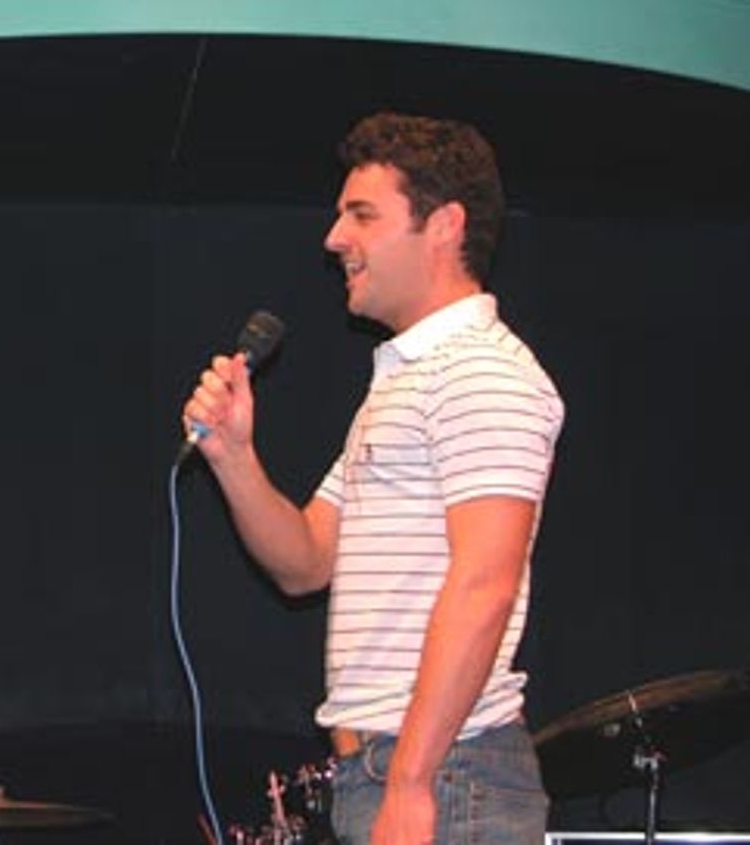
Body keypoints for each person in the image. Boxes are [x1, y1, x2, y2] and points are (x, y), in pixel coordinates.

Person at [183, 113, 563, 845]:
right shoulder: (403, 384)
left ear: (444, 225)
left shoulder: (481, 371)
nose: (334, 239)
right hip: (392, 772)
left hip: (448, 775)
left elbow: (484, 584)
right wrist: (233, 456)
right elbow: (305, 562)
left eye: (362, 215)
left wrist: (412, 782)